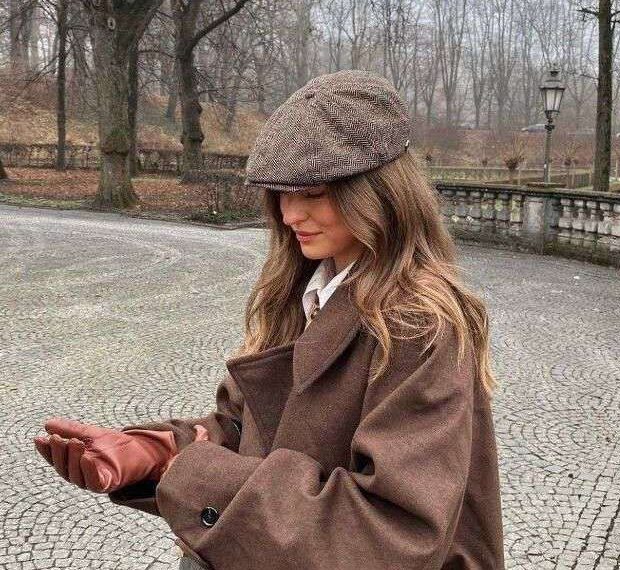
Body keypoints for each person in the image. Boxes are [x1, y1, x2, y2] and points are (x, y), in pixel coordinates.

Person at [34, 69, 505, 569]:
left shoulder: (418, 325)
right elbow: (246, 430)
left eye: (313, 193)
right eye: (282, 192)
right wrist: (151, 452)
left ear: (380, 192)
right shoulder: (305, 291)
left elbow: (390, 533)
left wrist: (186, 470)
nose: (289, 214)